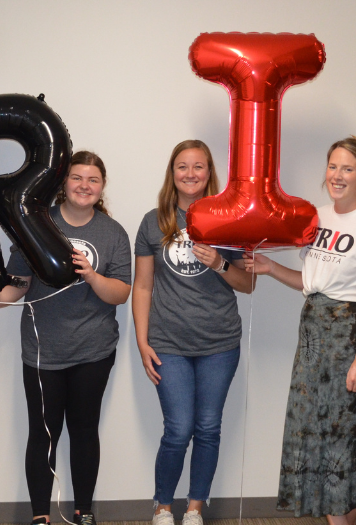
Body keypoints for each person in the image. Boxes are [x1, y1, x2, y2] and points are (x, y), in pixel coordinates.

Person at [0, 151, 131, 525]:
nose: (84, 186)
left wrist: (90, 275)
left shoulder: (112, 232)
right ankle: (40, 517)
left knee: (84, 431)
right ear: (62, 183)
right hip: (41, 350)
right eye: (76, 178)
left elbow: (120, 293)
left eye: (93, 180)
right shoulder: (35, 223)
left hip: (93, 349)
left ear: (102, 187)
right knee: (43, 434)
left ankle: (84, 513)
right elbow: (17, 286)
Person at [244, 136, 356, 525]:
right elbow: (312, 281)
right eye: (333, 167)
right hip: (311, 334)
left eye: (348, 169)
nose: (337, 176)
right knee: (312, 428)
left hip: (348, 338)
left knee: (344, 435)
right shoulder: (315, 217)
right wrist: (271, 269)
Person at [133, 139, 255, 525]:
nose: (190, 174)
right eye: (182, 166)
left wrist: (220, 262)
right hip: (168, 343)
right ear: (172, 173)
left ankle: (196, 507)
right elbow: (143, 287)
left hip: (219, 343)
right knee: (178, 429)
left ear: (208, 173)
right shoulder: (154, 221)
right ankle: (163, 506)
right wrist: (141, 341)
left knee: (207, 427)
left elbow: (248, 284)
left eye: (198, 167)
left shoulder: (229, 218)